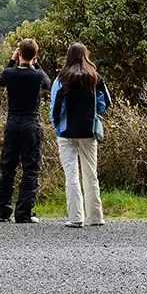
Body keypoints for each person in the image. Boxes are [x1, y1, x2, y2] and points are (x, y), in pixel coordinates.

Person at [51, 42, 110, 227]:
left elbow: (55, 107)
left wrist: (56, 124)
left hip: (66, 132)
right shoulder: (94, 77)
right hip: (88, 130)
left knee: (71, 175)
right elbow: (106, 101)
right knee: (91, 174)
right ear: (86, 55)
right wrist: (95, 113)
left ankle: (76, 218)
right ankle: (95, 217)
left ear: (68, 56)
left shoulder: (61, 78)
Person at [0, 39, 50, 223]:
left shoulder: (10, 73)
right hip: (31, 125)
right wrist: (36, 63)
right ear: (35, 55)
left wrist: (12, 61)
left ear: (19, 54)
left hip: (12, 124)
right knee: (30, 168)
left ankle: (3, 210)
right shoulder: (37, 76)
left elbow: (0, 80)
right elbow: (48, 82)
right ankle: (23, 212)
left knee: (8, 167)